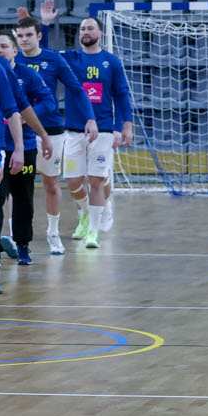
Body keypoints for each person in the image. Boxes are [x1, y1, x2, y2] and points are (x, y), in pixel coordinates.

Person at [15, 9, 97, 254]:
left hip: (50, 132)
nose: (24, 39)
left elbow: (77, 89)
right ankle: (15, 236)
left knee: (51, 183)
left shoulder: (53, 60)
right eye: (20, 35)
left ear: (39, 36)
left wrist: (90, 118)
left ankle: (53, 233)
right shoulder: (11, 60)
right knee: (18, 187)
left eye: (29, 34)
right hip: (18, 132)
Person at [62, 16, 133, 248]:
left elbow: (121, 95)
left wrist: (125, 127)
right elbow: (41, 54)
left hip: (103, 129)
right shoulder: (70, 59)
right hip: (73, 128)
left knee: (95, 180)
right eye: (82, 28)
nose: (86, 31)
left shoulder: (111, 62)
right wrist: (43, 24)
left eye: (90, 28)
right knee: (73, 180)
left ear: (100, 33)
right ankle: (84, 212)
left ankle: (93, 231)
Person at [0, 30, 57, 266]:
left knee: (23, 198)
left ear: (15, 51)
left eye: (3, 47)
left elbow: (48, 100)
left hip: (24, 147)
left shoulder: (27, 75)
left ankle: (23, 245)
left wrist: (28, 118)